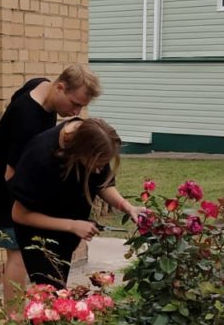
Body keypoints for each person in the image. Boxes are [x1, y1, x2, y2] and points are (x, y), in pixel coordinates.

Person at [0, 65, 102, 307]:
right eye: (75, 104)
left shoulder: (40, 86)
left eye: (81, 107)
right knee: (19, 255)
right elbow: (10, 174)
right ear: (60, 87)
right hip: (4, 193)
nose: (76, 111)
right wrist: (34, 208)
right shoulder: (27, 117)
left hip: (14, 186)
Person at [10, 117, 141, 288]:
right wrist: (72, 225)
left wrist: (127, 207)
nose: (98, 170)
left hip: (66, 232)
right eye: (96, 165)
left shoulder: (94, 146)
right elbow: (19, 214)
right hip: (38, 236)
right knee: (50, 295)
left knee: (58, 294)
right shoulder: (40, 157)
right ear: (79, 151)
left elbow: (102, 184)